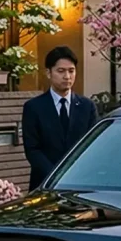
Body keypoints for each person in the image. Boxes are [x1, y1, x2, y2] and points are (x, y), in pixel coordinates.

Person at [21, 46, 97, 190]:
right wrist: (56, 176)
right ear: (48, 73)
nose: (67, 76)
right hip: (45, 183)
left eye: (71, 71)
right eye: (61, 71)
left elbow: (92, 147)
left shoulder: (87, 106)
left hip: (80, 183)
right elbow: (32, 150)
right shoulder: (33, 107)